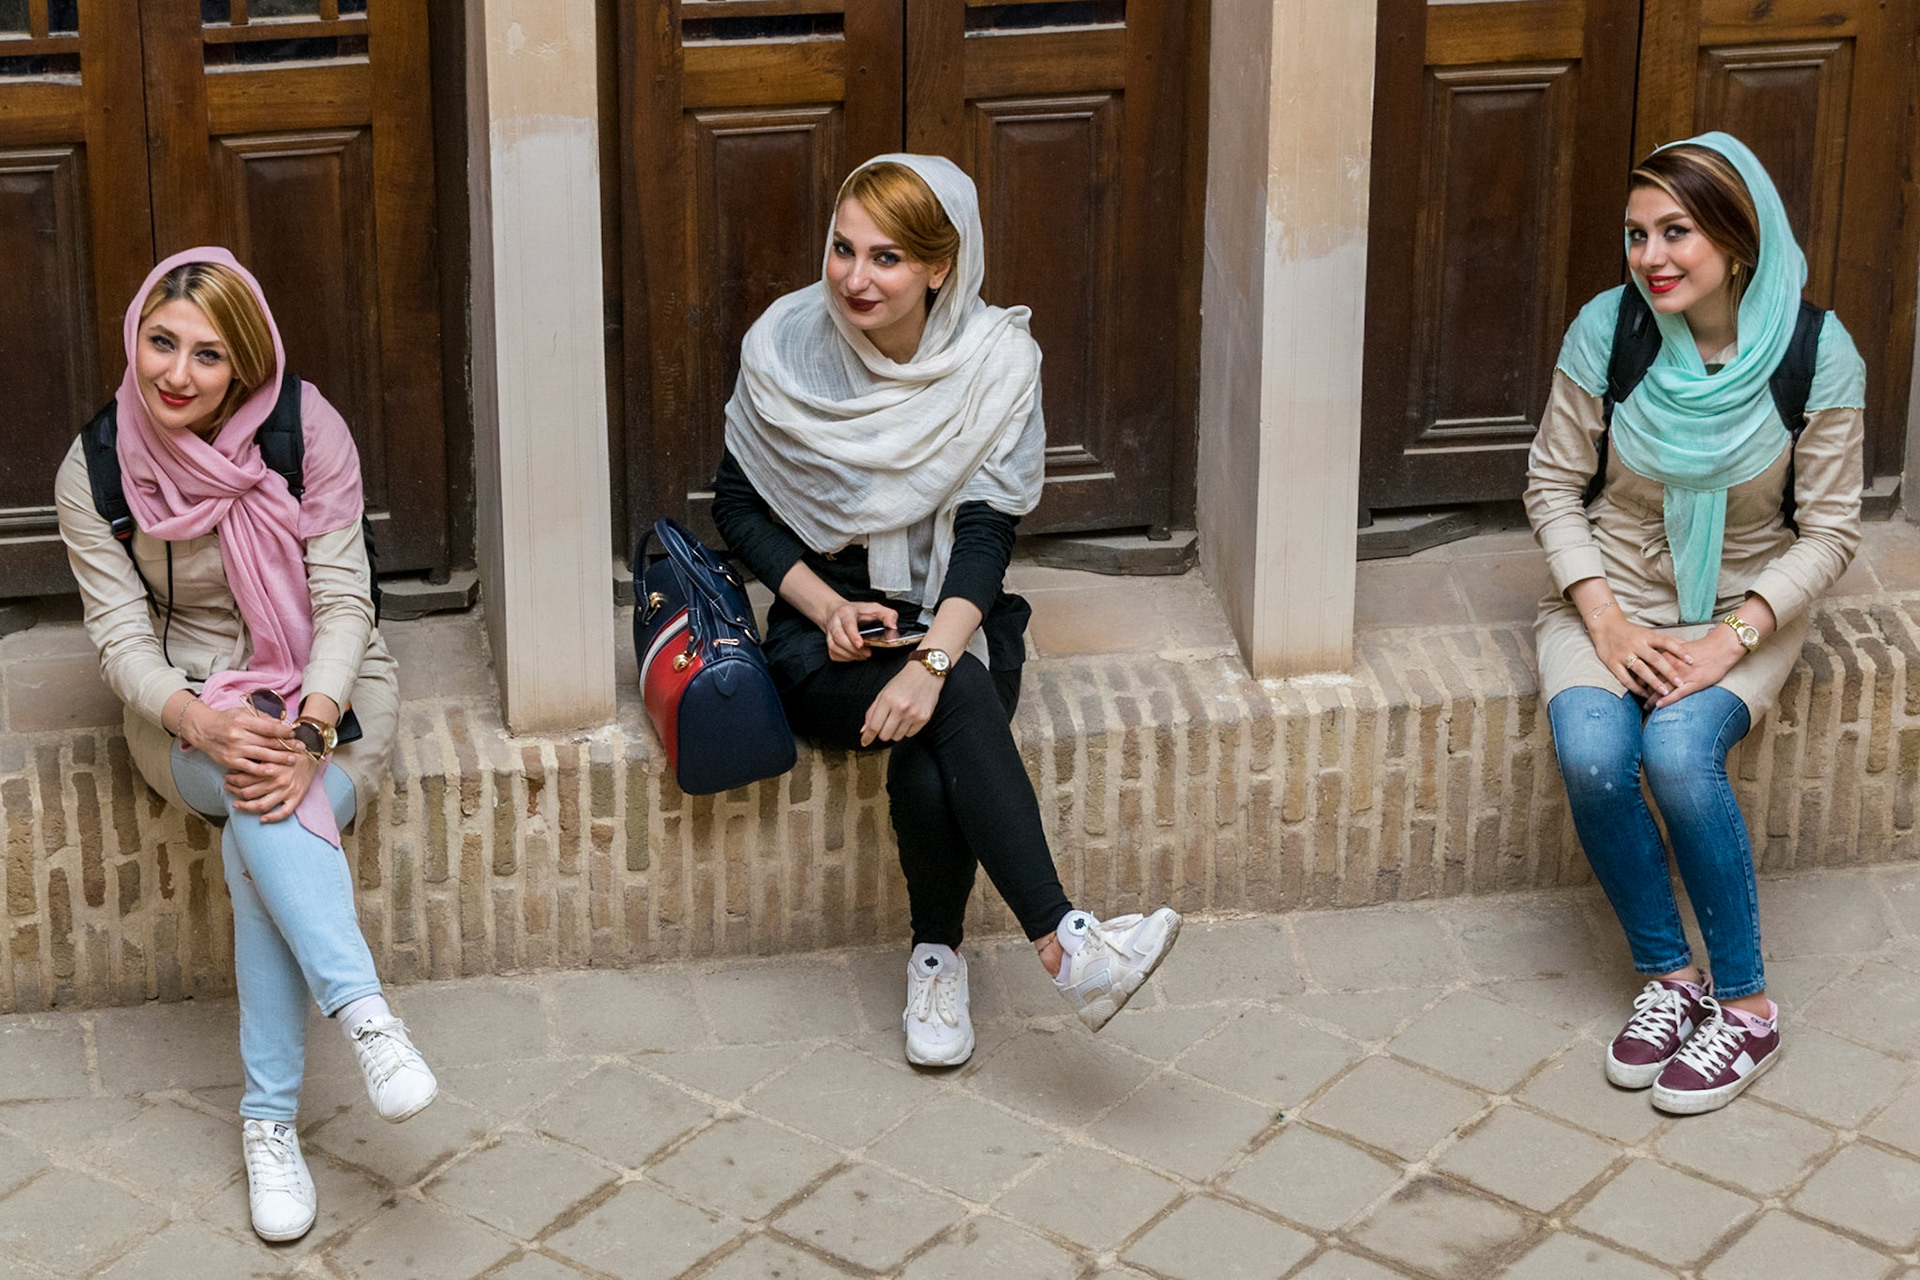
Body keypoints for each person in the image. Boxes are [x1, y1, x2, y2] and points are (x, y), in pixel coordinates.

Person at [710, 154, 1181, 1067]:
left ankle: (938, 957)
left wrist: (931, 657)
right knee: (956, 700)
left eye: (886, 258)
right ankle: (1066, 944)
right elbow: (737, 505)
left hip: (954, 612)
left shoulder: (996, 364)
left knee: (942, 714)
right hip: (826, 632)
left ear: (939, 266)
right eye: (842, 249)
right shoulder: (786, 347)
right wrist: (823, 604)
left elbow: (985, 534)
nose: (853, 277)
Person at [54, 249, 438, 1240]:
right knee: (255, 793)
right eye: (160, 342)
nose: (176, 373)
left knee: (258, 821)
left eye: (207, 354)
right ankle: (365, 1016)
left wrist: (309, 728)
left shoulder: (305, 432)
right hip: (184, 708)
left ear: (246, 363)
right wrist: (199, 719)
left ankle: (270, 1118)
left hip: (331, 690)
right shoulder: (96, 467)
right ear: (135, 338)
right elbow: (121, 641)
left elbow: (346, 601)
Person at [1526, 133, 1865, 1114]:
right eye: (1636, 235)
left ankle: (1747, 1007)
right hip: (1612, 592)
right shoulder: (1611, 330)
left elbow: (1833, 528)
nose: (1652, 256)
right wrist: (1604, 619)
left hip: (1746, 604)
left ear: (1738, 238)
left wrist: (1735, 634)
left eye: (1676, 231)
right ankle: (1671, 979)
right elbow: (1553, 483)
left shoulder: (1814, 351)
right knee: (1595, 752)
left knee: (1677, 751)